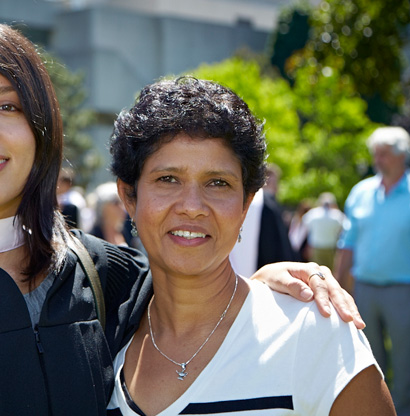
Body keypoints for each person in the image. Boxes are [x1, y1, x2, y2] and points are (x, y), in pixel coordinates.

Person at [0, 14, 362, 416]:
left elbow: (202, 302)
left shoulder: (104, 278)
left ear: (40, 131)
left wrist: (268, 284)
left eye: (8, 106)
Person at [107, 77, 393, 415]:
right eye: (167, 179)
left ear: (246, 204)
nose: (192, 205)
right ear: (129, 196)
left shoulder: (314, 333)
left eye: (218, 183)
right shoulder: (103, 338)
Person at [335, 126, 410, 416]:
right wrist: (338, 285)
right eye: (375, 154)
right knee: (367, 360)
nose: (378, 159)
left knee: (404, 362)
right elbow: (348, 243)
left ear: (402, 155)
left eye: (385, 154)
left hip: (403, 290)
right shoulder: (360, 192)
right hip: (364, 289)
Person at [302, 192, 345, 269]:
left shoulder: (314, 214)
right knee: (330, 271)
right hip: (330, 248)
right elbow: (344, 226)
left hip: (317, 247)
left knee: (316, 270)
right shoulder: (336, 215)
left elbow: (305, 223)